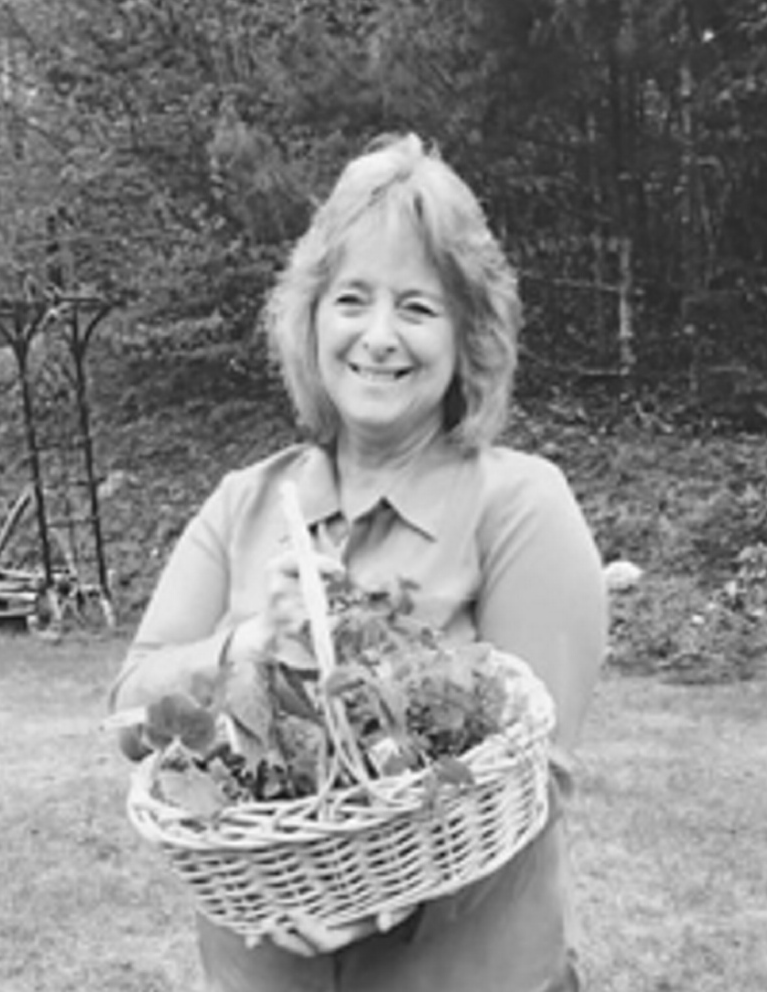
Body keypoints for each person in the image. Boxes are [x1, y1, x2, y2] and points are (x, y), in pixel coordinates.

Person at [110, 131, 608, 992]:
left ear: (467, 336)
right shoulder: (246, 504)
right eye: (351, 299)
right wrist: (248, 644)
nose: (378, 337)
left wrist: (383, 889)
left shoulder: (521, 505)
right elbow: (128, 708)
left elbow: (533, 775)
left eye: (416, 308)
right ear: (311, 319)